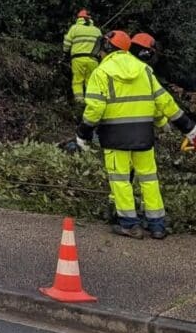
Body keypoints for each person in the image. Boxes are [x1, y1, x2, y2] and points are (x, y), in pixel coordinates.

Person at [76, 30, 196, 239]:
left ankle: (130, 224)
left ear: (106, 48)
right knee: (149, 179)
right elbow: (164, 102)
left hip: (114, 138)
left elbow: (95, 109)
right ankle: (157, 225)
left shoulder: (101, 72)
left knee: (120, 181)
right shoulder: (144, 70)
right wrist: (189, 128)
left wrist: (83, 133)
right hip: (143, 137)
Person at [63, 9, 102, 102]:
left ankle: (79, 101)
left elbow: (67, 43)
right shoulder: (97, 31)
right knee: (91, 81)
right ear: (90, 19)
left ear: (79, 18)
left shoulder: (74, 28)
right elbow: (101, 45)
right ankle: (91, 102)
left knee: (78, 81)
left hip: (78, 59)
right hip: (93, 60)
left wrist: (65, 52)